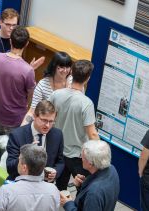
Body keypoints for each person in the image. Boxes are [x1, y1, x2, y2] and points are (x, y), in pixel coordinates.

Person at [49, 60, 99, 191]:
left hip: (59, 151)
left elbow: (47, 116)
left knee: (60, 186)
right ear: (88, 78)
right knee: (82, 188)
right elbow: (92, 133)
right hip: (77, 156)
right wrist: (100, 154)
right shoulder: (86, 103)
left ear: (71, 73)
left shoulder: (56, 94)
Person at [0, 26, 36, 134]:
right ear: (26, 44)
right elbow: (31, 94)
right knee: (11, 149)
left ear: (10, 40)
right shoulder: (28, 70)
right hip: (16, 120)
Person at [6, 100, 64, 182]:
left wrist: (56, 172)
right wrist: (26, 154)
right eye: (44, 120)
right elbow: (10, 167)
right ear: (34, 116)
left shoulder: (57, 135)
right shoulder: (17, 135)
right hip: (21, 184)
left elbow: (60, 162)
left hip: (44, 184)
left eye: (51, 121)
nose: (47, 125)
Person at [0, 144, 60, 211]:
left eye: (19, 160)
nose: (18, 163)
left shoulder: (6, 191)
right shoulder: (53, 190)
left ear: (24, 167)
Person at [60, 141, 120, 211]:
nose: (81, 158)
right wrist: (81, 186)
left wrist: (68, 204)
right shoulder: (112, 170)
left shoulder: (93, 193)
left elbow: (94, 196)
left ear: (90, 163)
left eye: (82, 157)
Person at [22, 52, 73, 125]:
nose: (65, 71)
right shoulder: (43, 84)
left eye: (67, 67)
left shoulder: (72, 82)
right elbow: (32, 111)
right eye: (61, 67)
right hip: (46, 124)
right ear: (54, 66)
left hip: (66, 124)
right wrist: (21, 128)